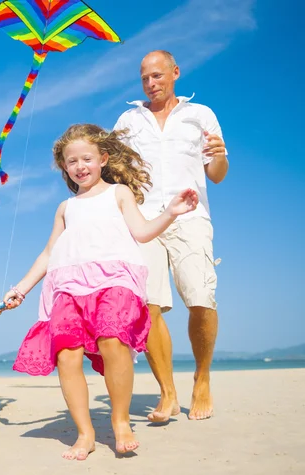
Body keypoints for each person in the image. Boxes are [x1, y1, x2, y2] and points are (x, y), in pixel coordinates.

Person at [1, 124, 198, 459]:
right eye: (72, 161)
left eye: (86, 159)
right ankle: (85, 433)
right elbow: (49, 253)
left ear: (103, 158)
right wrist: (21, 288)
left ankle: (120, 422)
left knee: (113, 341)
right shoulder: (66, 207)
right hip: (68, 285)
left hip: (114, 279)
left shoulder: (118, 193)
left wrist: (170, 213)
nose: (80, 166)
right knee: (67, 356)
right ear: (64, 166)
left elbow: (143, 232)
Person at [113, 50, 229, 422]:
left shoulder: (201, 115)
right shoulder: (128, 120)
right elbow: (113, 172)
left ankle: (202, 377)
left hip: (190, 216)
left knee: (201, 298)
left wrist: (221, 155)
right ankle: (166, 392)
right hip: (144, 219)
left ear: (175, 73)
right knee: (147, 306)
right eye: (145, 77)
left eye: (158, 76)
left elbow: (217, 174)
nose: (151, 83)